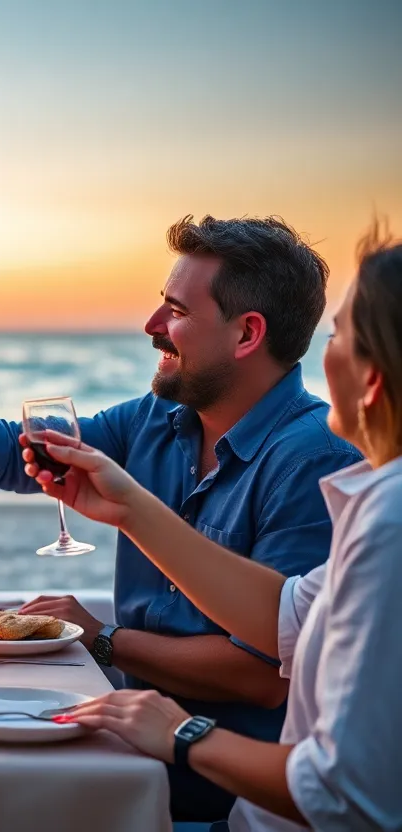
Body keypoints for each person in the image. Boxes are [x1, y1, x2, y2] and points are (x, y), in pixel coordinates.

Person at [0, 215, 362, 820]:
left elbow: (263, 672)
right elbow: (10, 454)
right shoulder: (157, 420)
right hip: (127, 742)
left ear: (247, 334)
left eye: (176, 311)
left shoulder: (316, 462)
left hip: (212, 787)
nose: (152, 326)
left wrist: (105, 640)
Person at [32, 223, 402, 831]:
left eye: (341, 335)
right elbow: (281, 614)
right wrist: (129, 507)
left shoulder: (387, 517)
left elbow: (344, 794)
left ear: (374, 378)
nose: (321, 352)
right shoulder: (379, 501)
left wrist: (182, 733)